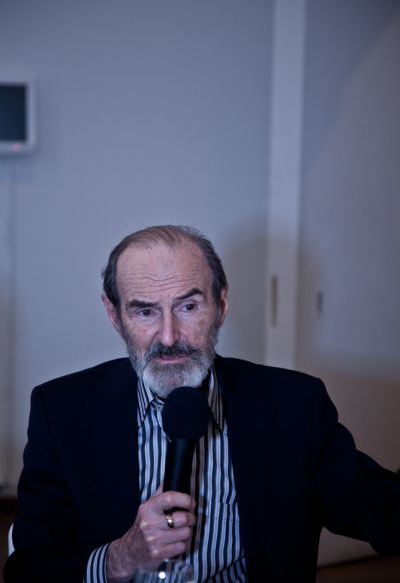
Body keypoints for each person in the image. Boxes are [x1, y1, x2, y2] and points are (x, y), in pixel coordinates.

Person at [3, 225, 400, 583]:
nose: (169, 336)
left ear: (220, 305)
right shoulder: (62, 412)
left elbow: (380, 509)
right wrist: (120, 558)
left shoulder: (293, 405)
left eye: (188, 306)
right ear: (115, 315)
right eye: (145, 311)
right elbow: (28, 570)